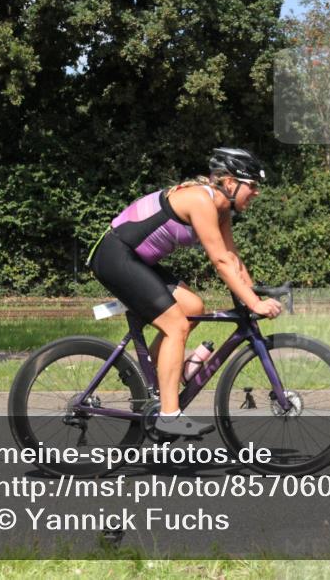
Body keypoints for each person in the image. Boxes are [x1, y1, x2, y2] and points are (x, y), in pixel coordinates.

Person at [86, 147, 282, 437]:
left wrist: (251, 293)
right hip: (115, 256)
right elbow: (219, 261)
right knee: (176, 324)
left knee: (192, 307)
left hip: (138, 260)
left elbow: (231, 257)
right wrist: (254, 303)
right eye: (252, 185)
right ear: (230, 182)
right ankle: (169, 414)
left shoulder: (222, 208)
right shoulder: (200, 200)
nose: (256, 192)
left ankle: (150, 380)